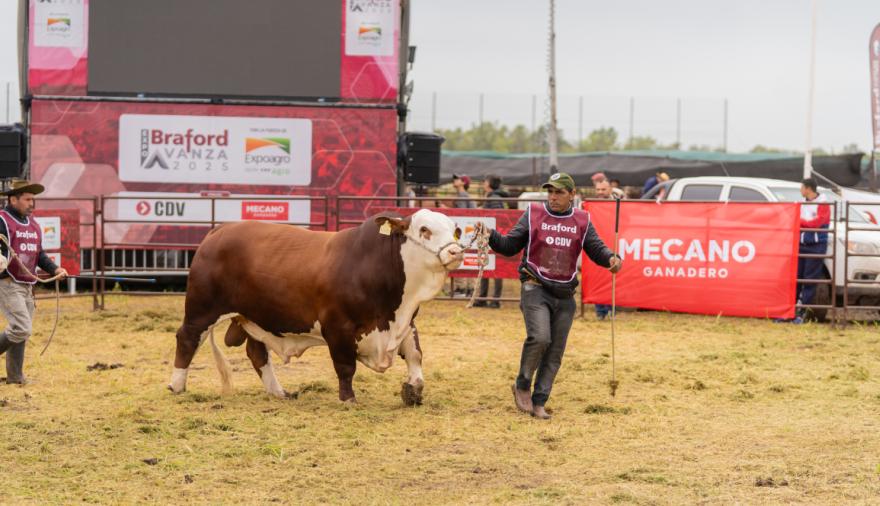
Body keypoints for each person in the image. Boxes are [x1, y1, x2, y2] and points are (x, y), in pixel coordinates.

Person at [474, 173, 622, 419]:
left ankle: (540, 400)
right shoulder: (533, 214)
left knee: (555, 351)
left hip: (565, 294)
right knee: (541, 338)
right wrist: (490, 235)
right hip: (535, 287)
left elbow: (596, 248)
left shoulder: (582, 220)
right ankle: (522, 385)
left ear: (571, 195)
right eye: (550, 192)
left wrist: (611, 259)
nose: (553, 197)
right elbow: (510, 246)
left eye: (559, 192)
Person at [0, 180, 68, 384]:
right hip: (7, 283)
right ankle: (16, 376)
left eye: (33, 199)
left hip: (27, 285)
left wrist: (55, 269)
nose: (32, 203)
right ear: (13, 199)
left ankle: (15, 376)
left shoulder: (33, 225)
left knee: (21, 330)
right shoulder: (2, 220)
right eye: (28, 199)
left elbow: (39, 255)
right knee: (21, 328)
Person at [791, 177, 830, 323]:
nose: (800, 190)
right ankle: (794, 310)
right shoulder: (801, 203)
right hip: (801, 244)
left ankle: (803, 313)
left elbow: (817, 223)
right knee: (798, 278)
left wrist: (800, 222)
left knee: (809, 280)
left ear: (808, 189)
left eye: (802, 187)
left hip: (816, 245)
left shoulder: (823, 203)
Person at [474, 175, 507, 308]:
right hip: (490, 234)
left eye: (485, 181)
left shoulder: (493, 198)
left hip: (493, 235)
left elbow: (497, 215)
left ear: (489, 184)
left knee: (496, 266)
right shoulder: (492, 197)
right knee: (486, 263)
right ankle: (485, 297)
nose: (483, 183)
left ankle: (494, 299)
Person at [591, 180, 620, 320]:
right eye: (598, 190)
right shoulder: (590, 205)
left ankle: (610, 309)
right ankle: (600, 311)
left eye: (603, 189)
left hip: (613, 245)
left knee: (611, 278)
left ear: (610, 189)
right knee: (596, 277)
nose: (600, 192)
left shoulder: (618, 204)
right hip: (595, 248)